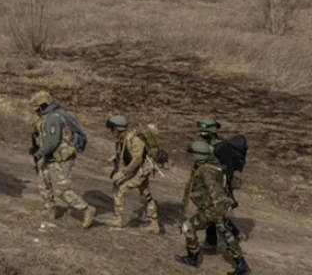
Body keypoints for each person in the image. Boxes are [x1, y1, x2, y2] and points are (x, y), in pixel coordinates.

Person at [176, 141, 251, 275]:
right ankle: (242, 265)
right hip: (217, 209)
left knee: (188, 227)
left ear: (199, 156)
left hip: (211, 209)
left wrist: (221, 207)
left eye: (193, 155)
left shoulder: (206, 172)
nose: (191, 157)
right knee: (227, 235)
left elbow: (215, 191)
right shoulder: (213, 165)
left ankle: (193, 257)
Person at [29, 90, 96, 228]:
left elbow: (53, 141)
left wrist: (40, 153)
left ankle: (86, 209)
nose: (36, 110)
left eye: (38, 107)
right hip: (50, 155)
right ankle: (49, 210)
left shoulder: (54, 118)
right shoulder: (46, 116)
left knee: (61, 190)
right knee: (44, 182)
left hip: (61, 158)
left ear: (44, 104)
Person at [105, 115, 160, 234]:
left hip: (141, 170)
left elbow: (137, 159)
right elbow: (124, 154)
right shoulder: (122, 139)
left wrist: (124, 172)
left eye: (112, 128)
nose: (111, 131)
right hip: (139, 170)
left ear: (117, 129)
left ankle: (119, 219)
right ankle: (154, 224)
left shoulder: (133, 139)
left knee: (119, 188)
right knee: (146, 194)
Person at [197, 118, 243, 248]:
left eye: (203, 130)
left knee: (214, 212)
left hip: (218, 184)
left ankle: (218, 240)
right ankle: (223, 237)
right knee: (212, 211)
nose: (200, 133)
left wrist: (224, 186)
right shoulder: (206, 144)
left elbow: (226, 169)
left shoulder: (222, 147)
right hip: (208, 182)